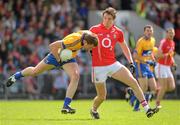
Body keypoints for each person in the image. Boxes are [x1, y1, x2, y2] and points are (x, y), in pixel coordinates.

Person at [6, 30, 98, 114]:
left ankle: (66, 106)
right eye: (90, 47)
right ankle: (16, 76)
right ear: (85, 42)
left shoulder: (87, 36)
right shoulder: (73, 41)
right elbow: (52, 46)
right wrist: (58, 59)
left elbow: (89, 40)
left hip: (68, 57)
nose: (91, 49)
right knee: (35, 72)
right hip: (55, 55)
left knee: (75, 76)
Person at [89, 7, 157, 119]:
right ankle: (94, 110)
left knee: (134, 82)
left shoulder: (118, 32)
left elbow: (125, 47)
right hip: (98, 67)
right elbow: (84, 43)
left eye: (109, 19)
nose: (106, 20)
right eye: (105, 18)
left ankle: (147, 109)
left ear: (114, 20)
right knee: (102, 96)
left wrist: (131, 62)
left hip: (113, 64)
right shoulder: (93, 30)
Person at [132, 25, 158, 111]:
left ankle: (133, 93)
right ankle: (137, 107)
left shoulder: (153, 40)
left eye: (150, 31)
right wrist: (146, 62)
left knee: (154, 88)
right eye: (147, 31)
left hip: (147, 65)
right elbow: (135, 56)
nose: (149, 32)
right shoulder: (140, 42)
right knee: (144, 88)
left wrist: (153, 59)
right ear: (144, 32)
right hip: (140, 65)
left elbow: (150, 53)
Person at [155, 28, 176, 109]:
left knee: (171, 87)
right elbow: (158, 55)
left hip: (167, 67)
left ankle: (157, 90)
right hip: (161, 66)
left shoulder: (173, 43)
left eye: (172, 33)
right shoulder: (163, 42)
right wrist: (167, 54)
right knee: (163, 87)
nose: (171, 34)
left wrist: (173, 62)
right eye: (170, 33)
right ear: (166, 33)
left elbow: (171, 55)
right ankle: (157, 103)